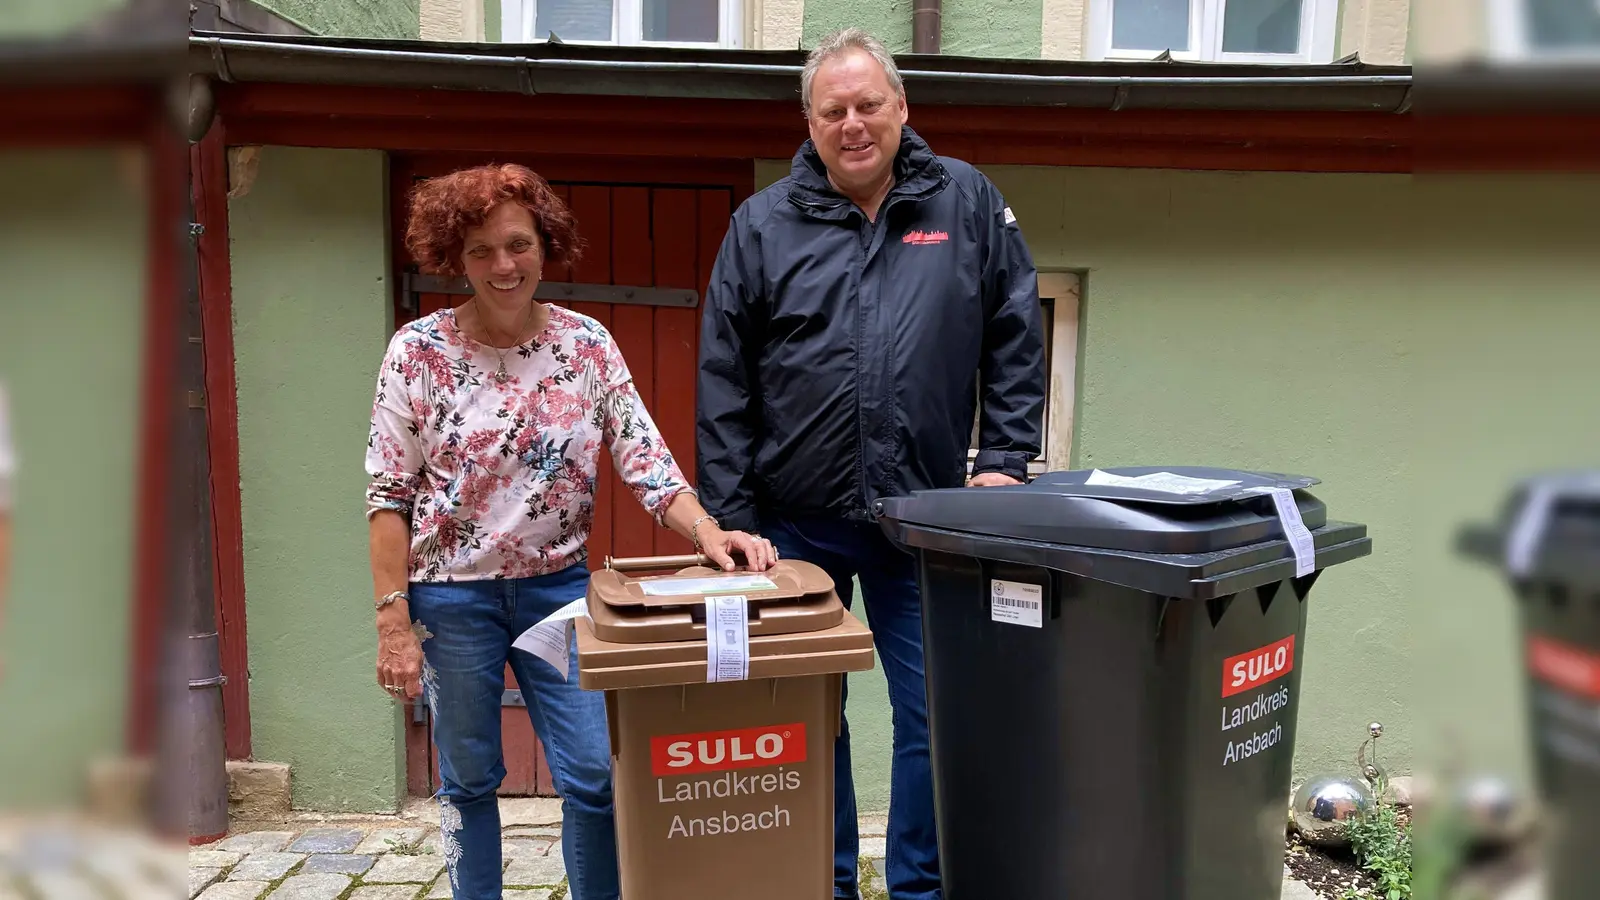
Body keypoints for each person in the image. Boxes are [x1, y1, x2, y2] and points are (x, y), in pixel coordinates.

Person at [694, 27, 1047, 900]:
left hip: (922, 521)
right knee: (811, 720)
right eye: (832, 111)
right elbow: (724, 375)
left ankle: (920, 887)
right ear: (809, 125)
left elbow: (1014, 330)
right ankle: (829, 883)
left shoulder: (965, 203)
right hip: (792, 527)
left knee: (933, 716)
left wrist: (1002, 459)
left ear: (901, 108)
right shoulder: (762, 224)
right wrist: (731, 515)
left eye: (868, 105)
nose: (852, 124)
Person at [365, 163, 777, 900]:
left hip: (558, 593)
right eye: (483, 250)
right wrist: (393, 619)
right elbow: (388, 496)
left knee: (593, 774)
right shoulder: (416, 353)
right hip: (450, 601)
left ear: (544, 246)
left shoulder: (585, 346)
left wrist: (708, 532)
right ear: (454, 256)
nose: (504, 265)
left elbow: (645, 457)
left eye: (519, 244)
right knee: (467, 781)